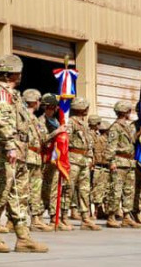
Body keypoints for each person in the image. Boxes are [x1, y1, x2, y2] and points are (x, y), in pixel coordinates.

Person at [0, 54, 47, 253]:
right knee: (0, 193)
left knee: (19, 195)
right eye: (18, 72)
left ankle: (23, 238)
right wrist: (10, 145)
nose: (20, 76)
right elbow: (2, 121)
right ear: (12, 74)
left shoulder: (13, 95)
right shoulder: (0, 95)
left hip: (19, 151)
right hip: (5, 151)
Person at [17, 89, 50, 233]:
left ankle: (36, 219)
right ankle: (17, 220)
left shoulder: (34, 118)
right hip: (27, 156)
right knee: (22, 189)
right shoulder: (22, 116)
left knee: (35, 190)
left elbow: (43, 138)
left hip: (35, 157)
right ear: (35, 102)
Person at [66, 97, 101, 230]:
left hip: (84, 160)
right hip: (73, 159)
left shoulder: (84, 124)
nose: (87, 110)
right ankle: (64, 216)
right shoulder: (71, 123)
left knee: (85, 190)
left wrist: (90, 157)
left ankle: (85, 218)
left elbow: (89, 143)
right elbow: (66, 142)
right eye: (86, 107)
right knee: (69, 188)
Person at [39, 94, 71, 231]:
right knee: (42, 190)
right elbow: (42, 139)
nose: (51, 110)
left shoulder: (57, 121)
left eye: (54, 108)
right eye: (49, 107)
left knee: (53, 190)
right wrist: (56, 132)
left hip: (55, 160)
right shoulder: (41, 121)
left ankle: (54, 217)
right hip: (45, 159)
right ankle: (39, 216)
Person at [106, 101, 137, 228]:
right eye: (129, 111)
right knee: (116, 190)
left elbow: (131, 142)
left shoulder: (127, 127)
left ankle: (127, 216)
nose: (130, 113)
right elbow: (111, 146)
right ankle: (111, 216)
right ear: (125, 112)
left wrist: (140, 132)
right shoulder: (115, 127)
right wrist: (111, 161)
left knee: (129, 190)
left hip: (129, 162)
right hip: (119, 162)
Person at [91, 117, 111, 218]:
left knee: (107, 189)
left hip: (107, 167)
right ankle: (98, 210)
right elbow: (98, 154)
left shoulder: (108, 140)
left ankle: (106, 209)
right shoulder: (99, 140)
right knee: (99, 189)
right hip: (100, 167)